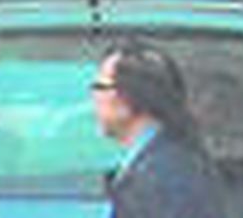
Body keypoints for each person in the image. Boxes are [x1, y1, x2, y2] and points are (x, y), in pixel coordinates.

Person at [90, 40, 229, 218]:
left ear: (128, 96)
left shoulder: (158, 178)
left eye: (99, 87)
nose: (94, 99)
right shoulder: (164, 161)